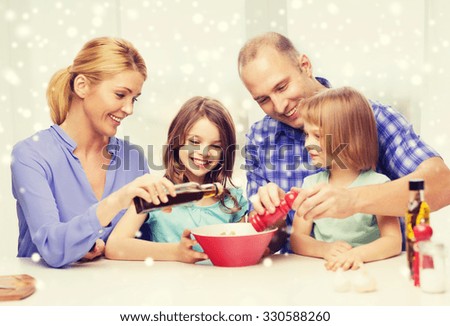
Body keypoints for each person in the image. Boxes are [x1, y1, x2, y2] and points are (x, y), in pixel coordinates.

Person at [238, 32, 450, 253]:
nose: (280, 105)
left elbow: (443, 185)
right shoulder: (260, 138)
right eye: (263, 99)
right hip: (300, 279)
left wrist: (353, 199)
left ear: (305, 66)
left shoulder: (369, 118)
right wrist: (272, 218)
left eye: (281, 87)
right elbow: (271, 243)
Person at [10, 36, 161, 268]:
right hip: (49, 298)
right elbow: (53, 246)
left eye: (134, 99)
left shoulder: (133, 159)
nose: (129, 109)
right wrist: (117, 200)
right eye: (120, 95)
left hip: (120, 296)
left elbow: (143, 241)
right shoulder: (31, 156)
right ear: (82, 86)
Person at [105, 96, 248, 261]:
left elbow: (240, 255)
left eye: (216, 146)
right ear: (176, 141)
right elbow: (115, 246)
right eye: (194, 141)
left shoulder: (233, 201)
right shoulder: (156, 193)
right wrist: (176, 253)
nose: (203, 151)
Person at [290, 87, 402, 270]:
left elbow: (393, 241)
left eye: (317, 135)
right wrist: (325, 249)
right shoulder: (311, 185)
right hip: (324, 272)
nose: (307, 143)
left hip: (367, 271)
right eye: (306, 134)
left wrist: (356, 255)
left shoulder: (379, 185)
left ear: (349, 138)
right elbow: (296, 239)